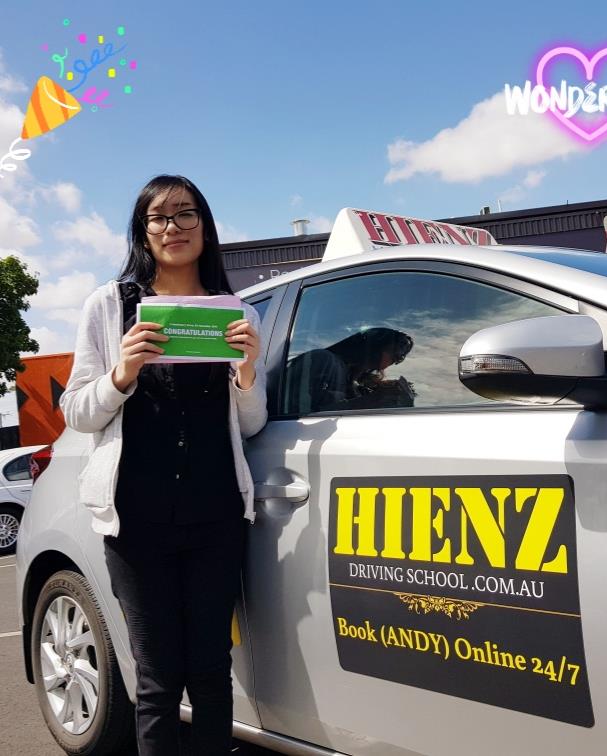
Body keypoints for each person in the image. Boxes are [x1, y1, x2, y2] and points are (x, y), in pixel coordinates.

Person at [59, 174, 267, 755]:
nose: (173, 227)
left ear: (205, 225)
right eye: (159, 217)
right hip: (136, 522)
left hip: (216, 517)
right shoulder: (110, 305)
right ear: (142, 230)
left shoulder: (237, 313)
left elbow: (251, 424)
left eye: (185, 213)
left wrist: (247, 373)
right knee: (156, 678)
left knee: (210, 670)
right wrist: (121, 373)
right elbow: (76, 410)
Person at [284, 327, 414, 413]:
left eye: (400, 358)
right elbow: (299, 416)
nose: (396, 360)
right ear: (376, 346)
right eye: (396, 353)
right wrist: (373, 400)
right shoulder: (324, 361)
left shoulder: (356, 384)